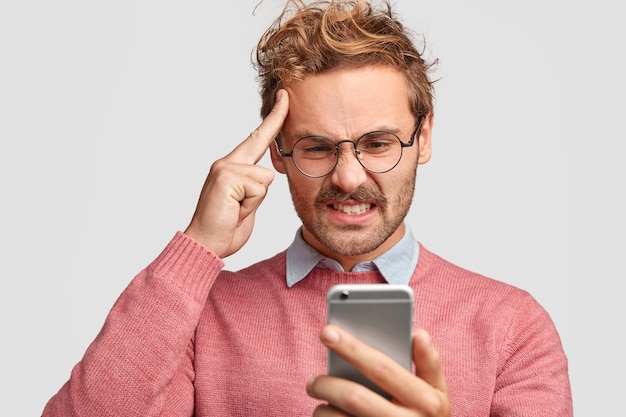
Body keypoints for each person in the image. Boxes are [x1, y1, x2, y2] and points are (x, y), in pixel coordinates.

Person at [42, 0, 572, 416]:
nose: (348, 176)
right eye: (317, 147)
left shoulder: (511, 325)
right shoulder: (201, 316)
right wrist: (196, 249)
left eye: (379, 143)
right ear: (276, 151)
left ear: (424, 136)